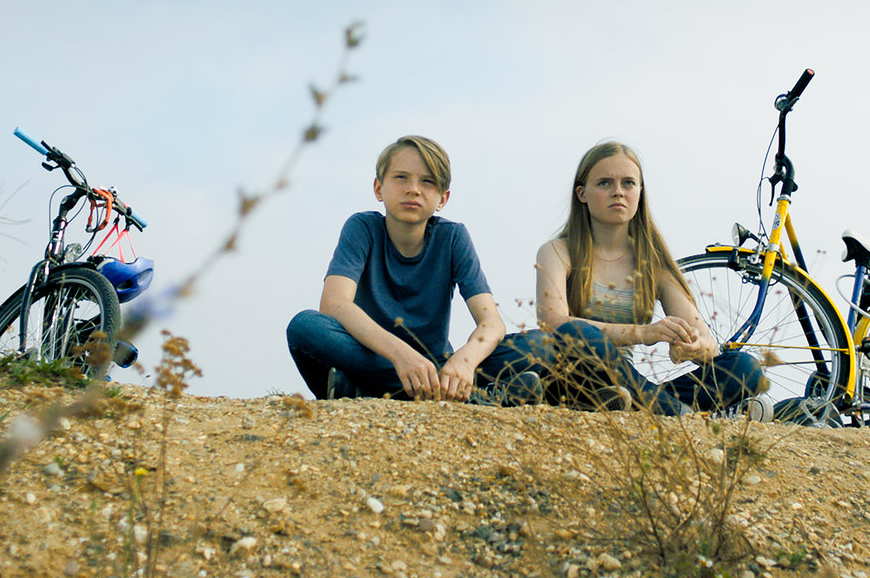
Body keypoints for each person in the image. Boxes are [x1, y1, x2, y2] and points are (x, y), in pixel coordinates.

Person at [286, 135, 539, 404]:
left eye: (427, 181)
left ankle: (370, 391)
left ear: (443, 198)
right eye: (401, 177)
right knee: (305, 327)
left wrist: (464, 361)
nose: (413, 189)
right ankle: (472, 398)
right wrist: (400, 355)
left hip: (435, 365)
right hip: (373, 355)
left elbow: (491, 323)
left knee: (540, 346)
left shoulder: (453, 238)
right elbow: (335, 303)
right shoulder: (362, 228)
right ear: (378, 188)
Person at [530, 141, 764, 414]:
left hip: (629, 389)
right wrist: (644, 333)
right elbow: (553, 322)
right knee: (578, 333)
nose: (618, 192)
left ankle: (653, 408)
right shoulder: (557, 251)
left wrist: (694, 346)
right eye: (605, 183)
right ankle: (676, 413)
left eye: (628, 183)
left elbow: (707, 342)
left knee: (745, 367)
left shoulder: (653, 262)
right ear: (582, 194)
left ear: (640, 192)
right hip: (574, 380)